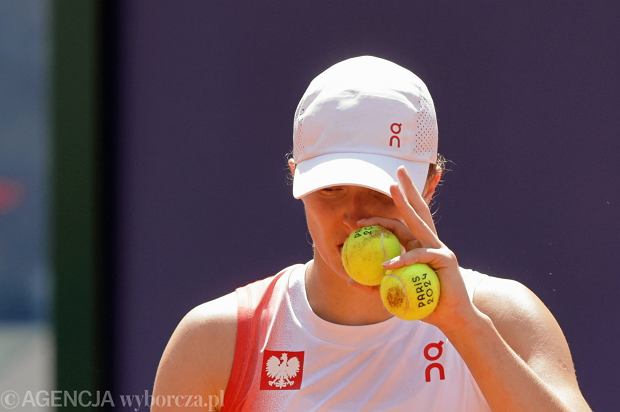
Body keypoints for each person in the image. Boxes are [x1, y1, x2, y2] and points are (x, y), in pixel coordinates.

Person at [153, 56, 591, 411]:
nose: (355, 215)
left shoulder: (502, 317)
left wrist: (464, 327)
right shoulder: (217, 340)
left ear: (430, 183)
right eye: (332, 189)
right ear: (295, 180)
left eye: (382, 192)